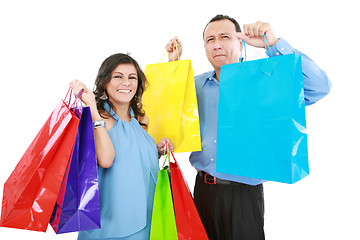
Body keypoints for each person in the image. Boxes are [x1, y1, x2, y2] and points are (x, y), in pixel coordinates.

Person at [165, 15, 331, 240]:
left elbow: (318, 87)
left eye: (225, 37)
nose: (217, 44)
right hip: (203, 191)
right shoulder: (197, 85)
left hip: (243, 195)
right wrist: (172, 67)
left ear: (240, 41)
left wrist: (273, 45)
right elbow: (169, 111)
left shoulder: (264, 80)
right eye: (210, 39)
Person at [69, 53, 174, 240]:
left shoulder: (141, 120)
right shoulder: (97, 118)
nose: (126, 82)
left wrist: (156, 150)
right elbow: (107, 159)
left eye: (132, 77)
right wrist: (92, 107)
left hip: (146, 215)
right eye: (118, 76)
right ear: (104, 83)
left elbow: (131, 157)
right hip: (111, 225)